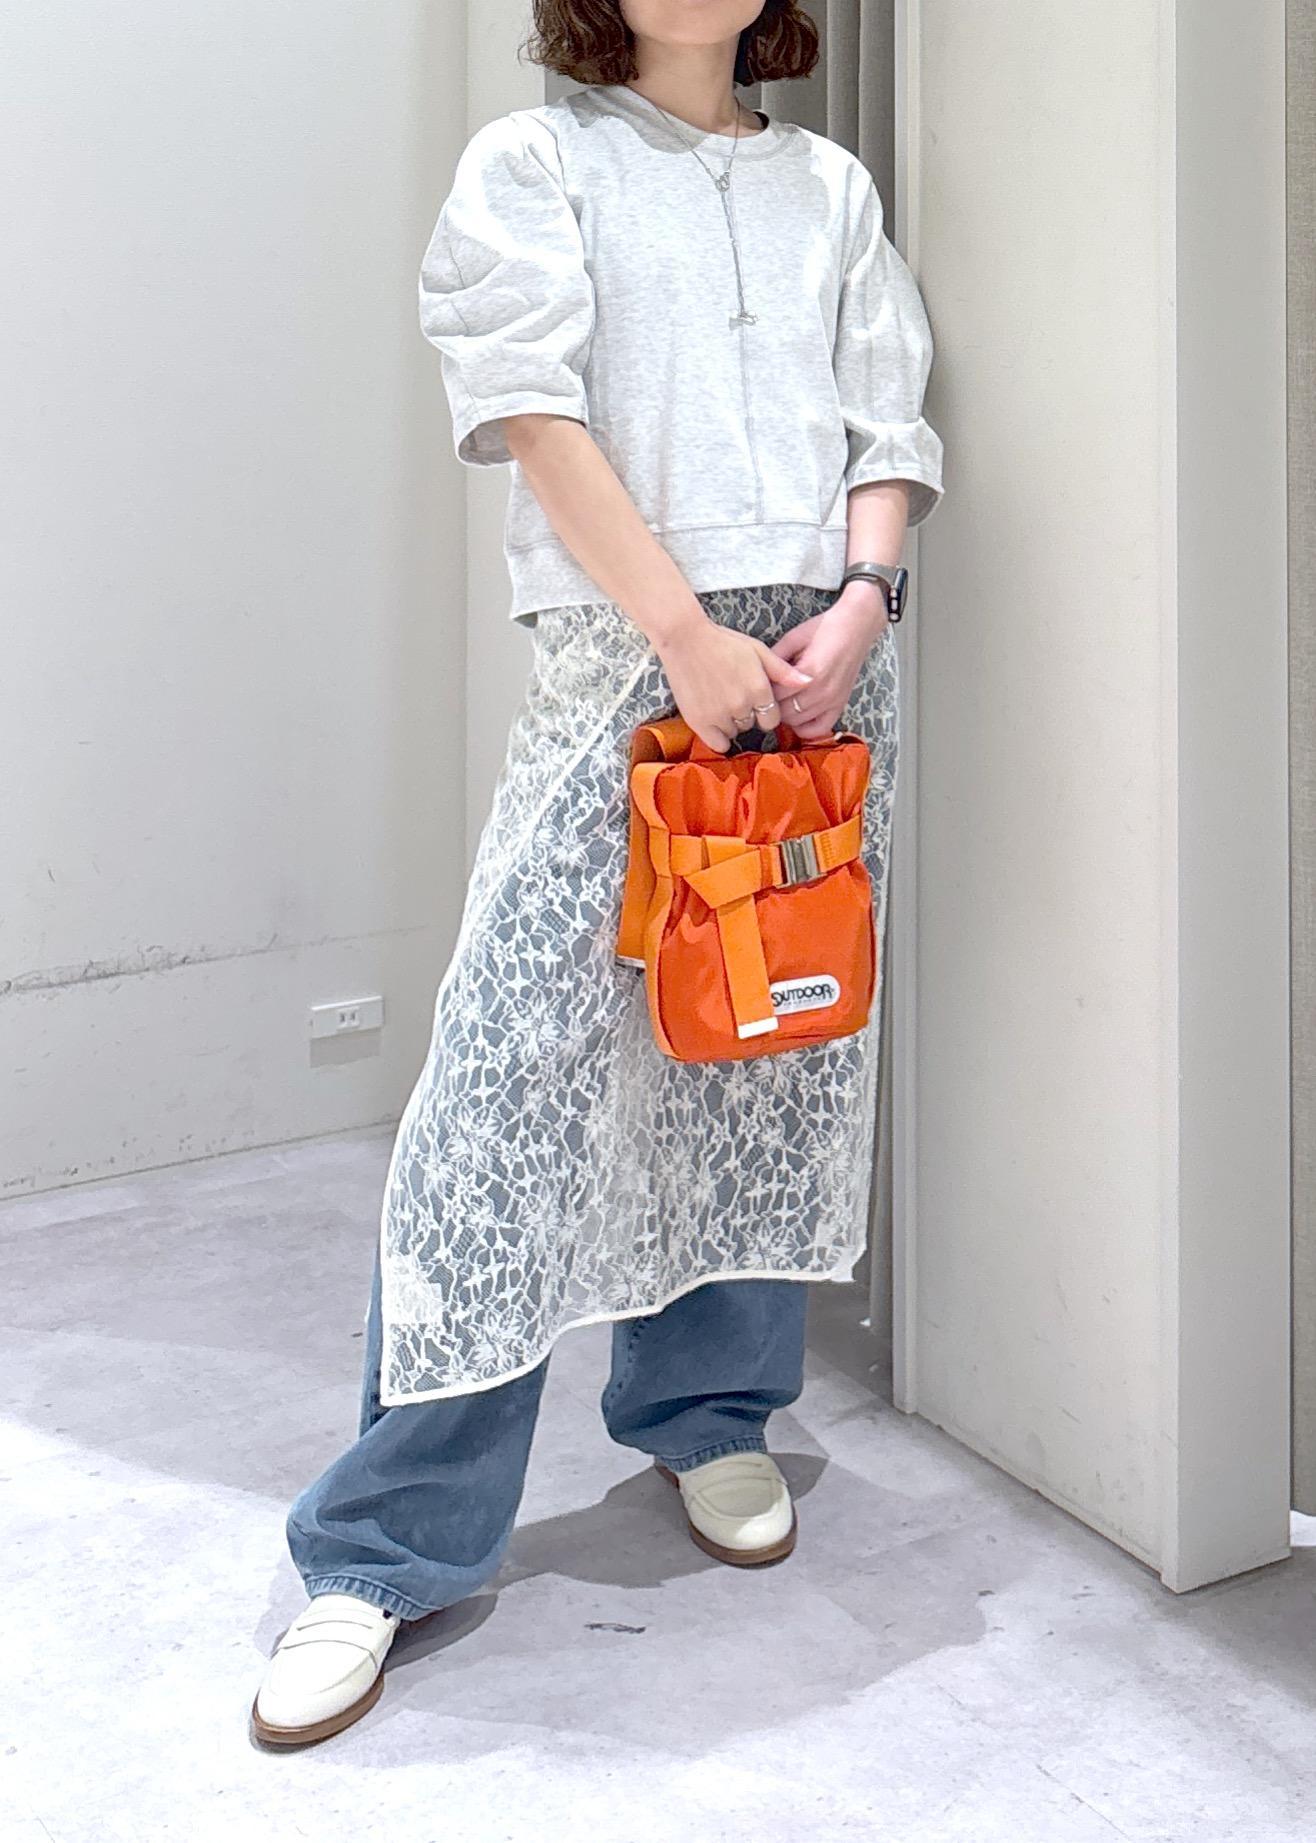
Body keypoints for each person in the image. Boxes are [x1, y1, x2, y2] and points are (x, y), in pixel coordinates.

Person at [251, 0, 944, 1749]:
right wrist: (682, 631)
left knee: (762, 1055)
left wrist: (868, 603)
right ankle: (387, 1544)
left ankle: (712, 1416)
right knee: (511, 1092)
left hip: (810, 679)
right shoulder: (536, 161)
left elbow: (888, 423)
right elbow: (530, 406)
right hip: (634, 663)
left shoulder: (830, 188)